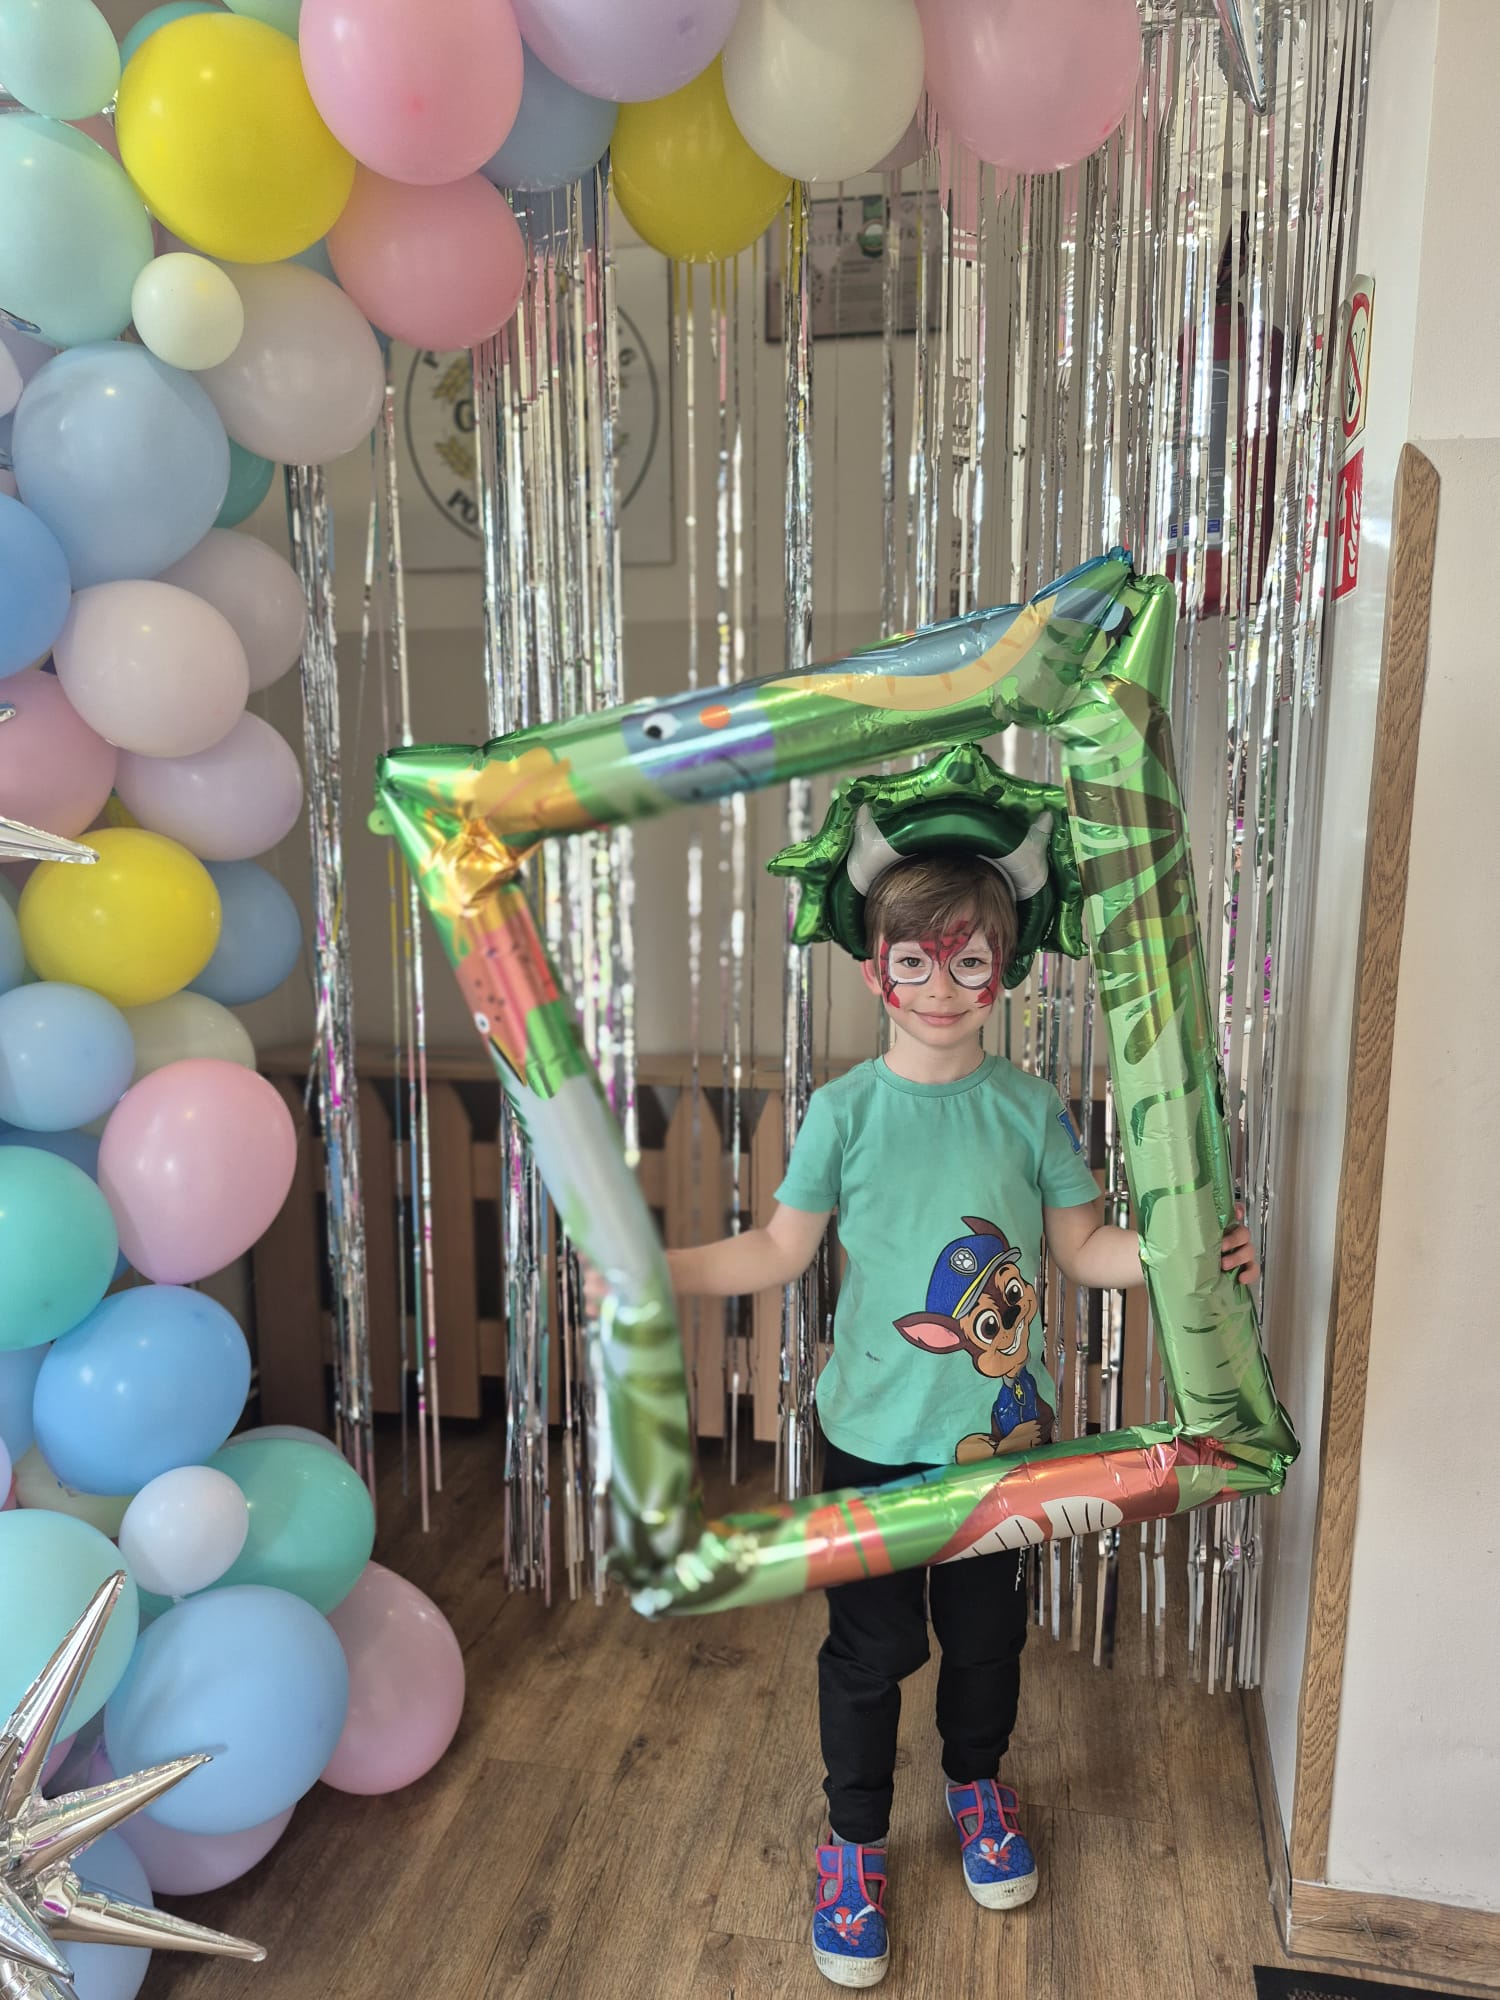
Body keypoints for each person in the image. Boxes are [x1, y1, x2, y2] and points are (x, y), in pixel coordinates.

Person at [592, 846, 1259, 1990]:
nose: (942, 985)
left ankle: (976, 1782)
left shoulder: (1030, 1108)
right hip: (868, 1438)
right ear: (874, 972)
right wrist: (660, 1272)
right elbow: (779, 1249)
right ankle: (854, 1839)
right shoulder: (845, 1110)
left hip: (1004, 1447)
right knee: (872, 1649)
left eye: (969, 961)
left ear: (1007, 973)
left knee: (988, 1638)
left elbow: (1084, 1249)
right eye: (916, 961)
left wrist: (1182, 1250)